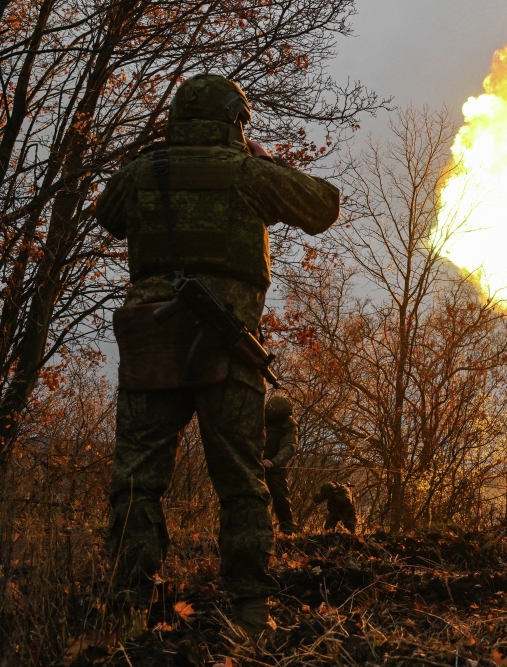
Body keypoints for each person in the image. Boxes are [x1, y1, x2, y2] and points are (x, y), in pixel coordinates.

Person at [96, 73, 340, 635]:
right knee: (241, 481)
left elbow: (107, 217)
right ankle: (252, 610)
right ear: (237, 120)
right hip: (224, 344)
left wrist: (156, 170)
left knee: (136, 479)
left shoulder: (143, 172)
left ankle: (131, 605)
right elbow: (324, 206)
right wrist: (266, 160)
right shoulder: (247, 172)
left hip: (151, 339)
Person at [263, 396, 299, 535]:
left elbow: (289, 446)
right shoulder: (258, 414)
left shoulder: (289, 425)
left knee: (280, 496)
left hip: (275, 463)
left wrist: (274, 461)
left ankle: (288, 529)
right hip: (253, 460)